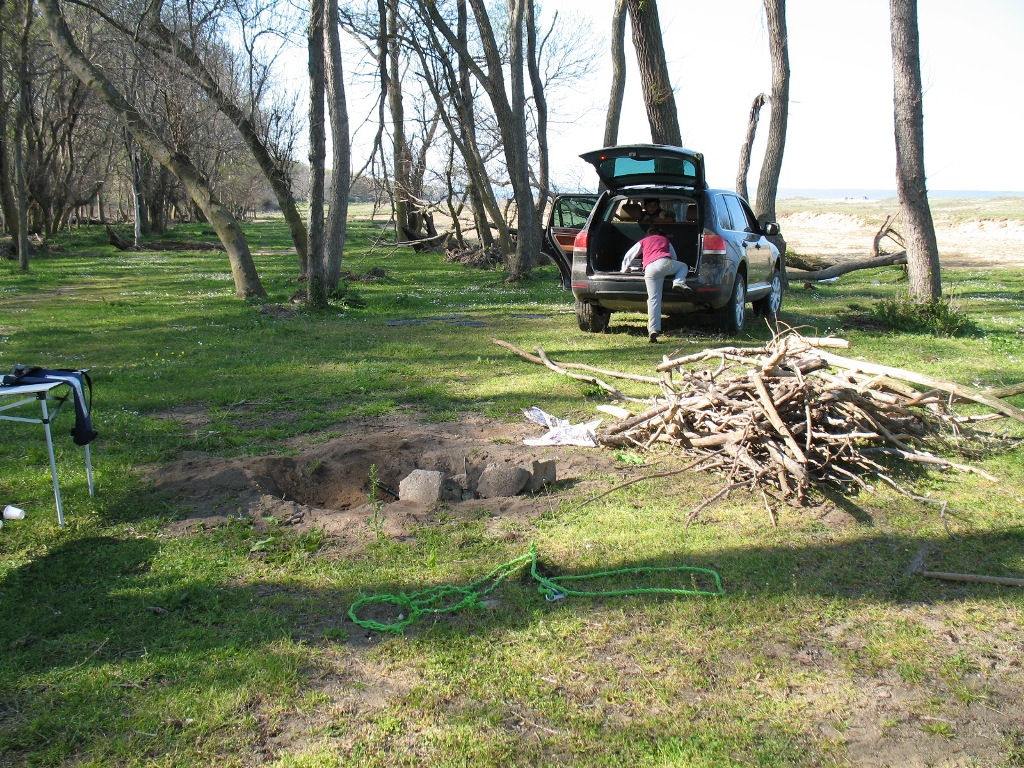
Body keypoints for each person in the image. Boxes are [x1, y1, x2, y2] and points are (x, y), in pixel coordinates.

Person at [620, 218, 687, 343]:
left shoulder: (644, 241)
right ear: (661, 234)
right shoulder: (665, 240)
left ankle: (653, 330)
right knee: (683, 266)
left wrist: (624, 270)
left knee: (653, 299)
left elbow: (630, 255)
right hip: (665, 264)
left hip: (649, 268)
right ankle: (678, 282)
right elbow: (674, 257)